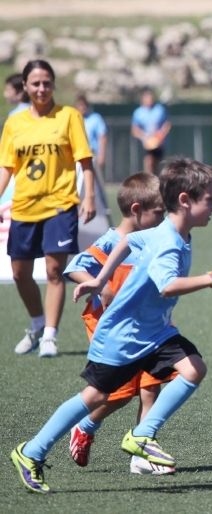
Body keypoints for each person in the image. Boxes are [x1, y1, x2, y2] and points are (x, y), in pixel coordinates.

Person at [9, 158, 212, 494]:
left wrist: (99, 280)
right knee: (95, 395)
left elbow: (127, 242)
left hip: (154, 332)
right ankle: (30, 452)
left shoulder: (166, 231)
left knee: (193, 368)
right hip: (124, 336)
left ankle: (142, 434)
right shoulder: (169, 243)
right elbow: (166, 285)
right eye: (208, 199)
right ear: (185, 200)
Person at [64, 172, 175, 475]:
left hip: (148, 326)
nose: (164, 219)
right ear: (137, 211)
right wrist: (101, 285)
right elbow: (74, 267)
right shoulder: (112, 241)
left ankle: (142, 451)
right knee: (122, 393)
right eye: (159, 213)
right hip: (114, 331)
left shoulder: (153, 240)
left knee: (152, 386)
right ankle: (84, 425)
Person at [0, 59, 97, 358]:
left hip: (60, 204)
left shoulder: (69, 116)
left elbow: (85, 162)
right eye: (35, 83)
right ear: (25, 87)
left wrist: (89, 197)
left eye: (46, 82)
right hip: (25, 207)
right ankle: (38, 323)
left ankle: (50, 336)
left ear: (53, 84)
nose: (41, 88)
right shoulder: (15, 123)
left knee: (55, 270)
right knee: (19, 273)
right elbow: (7, 167)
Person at [131, 87, 171, 174]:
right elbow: (134, 130)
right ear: (143, 99)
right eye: (147, 97)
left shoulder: (160, 110)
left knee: (159, 164)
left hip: (159, 143)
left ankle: (159, 183)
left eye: (151, 97)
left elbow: (167, 124)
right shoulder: (138, 113)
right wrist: (144, 136)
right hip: (146, 144)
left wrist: (160, 135)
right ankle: (149, 183)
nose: (149, 100)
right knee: (149, 163)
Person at [75, 94, 107, 179]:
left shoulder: (95, 118)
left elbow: (102, 137)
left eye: (83, 105)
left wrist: (101, 155)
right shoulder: (74, 119)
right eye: (80, 105)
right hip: (78, 155)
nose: (82, 108)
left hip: (92, 155)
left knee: (96, 181)